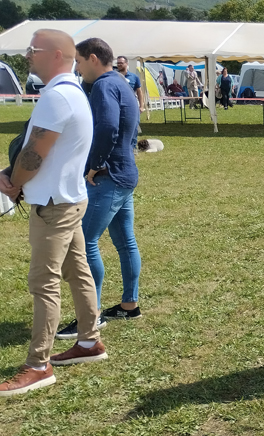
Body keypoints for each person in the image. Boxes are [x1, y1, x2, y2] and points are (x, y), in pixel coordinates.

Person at [0, 29, 108, 397]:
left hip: (54, 206)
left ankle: (38, 365)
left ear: (57, 55)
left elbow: (35, 153)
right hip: (68, 199)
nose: (27, 55)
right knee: (77, 272)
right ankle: (89, 341)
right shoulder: (71, 92)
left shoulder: (57, 97)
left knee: (43, 283)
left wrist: (12, 181)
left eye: (33, 49)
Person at [53, 36, 143, 341]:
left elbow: (107, 127)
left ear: (93, 58)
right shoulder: (122, 83)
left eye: (78, 62)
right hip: (125, 173)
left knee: (84, 243)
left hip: (109, 176)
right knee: (125, 242)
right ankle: (129, 305)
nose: (77, 69)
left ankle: (91, 316)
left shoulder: (104, 85)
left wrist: (94, 164)